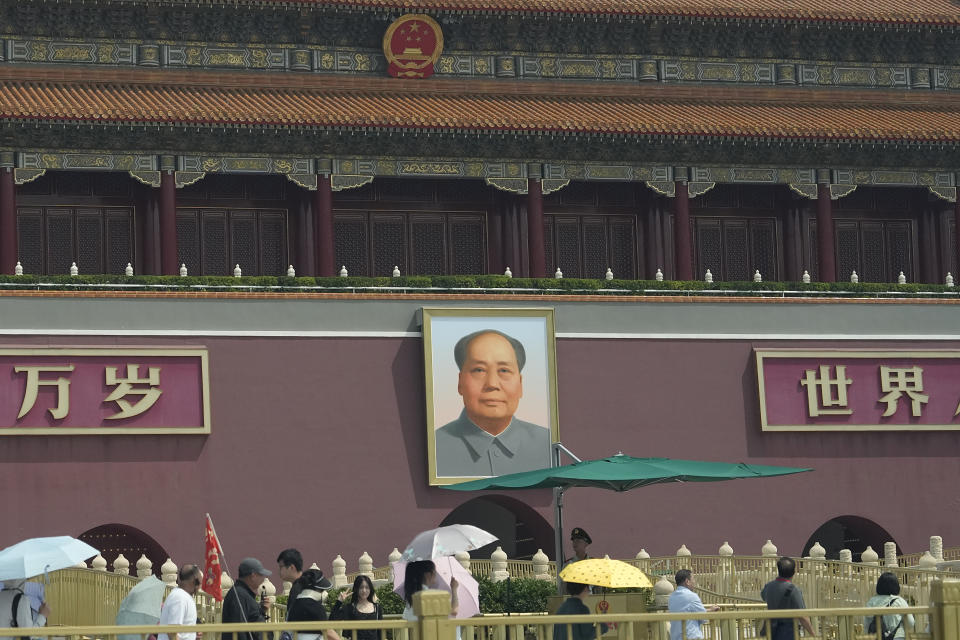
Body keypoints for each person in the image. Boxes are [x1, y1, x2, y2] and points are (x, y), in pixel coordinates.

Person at [435, 329, 551, 477]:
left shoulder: (548, 444)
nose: (492, 384)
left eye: (504, 370)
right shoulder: (435, 447)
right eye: (479, 370)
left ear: (520, 384)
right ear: (460, 382)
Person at [760, 557, 816, 640]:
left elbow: (764, 597)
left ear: (779, 570)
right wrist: (813, 634)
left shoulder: (768, 586)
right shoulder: (794, 590)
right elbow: (803, 616)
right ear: (793, 572)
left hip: (771, 631)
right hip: (788, 632)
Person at [222, 558, 272, 640]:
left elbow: (251, 618)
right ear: (253, 576)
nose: (263, 579)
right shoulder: (239, 595)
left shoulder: (243, 593)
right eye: (261, 575)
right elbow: (239, 629)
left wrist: (261, 611)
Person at [286, 569, 339, 640]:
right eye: (322, 590)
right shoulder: (316, 607)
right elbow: (328, 632)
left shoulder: (294, 604)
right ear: (317, 589)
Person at [668, 570, 719, 640]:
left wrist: (709, 610)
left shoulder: (672, 597)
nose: (694, 582)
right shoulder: (691, 596)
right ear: (687, 581)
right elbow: (703, 617)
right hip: (691, 636)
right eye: (693, 579)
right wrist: (712, 610)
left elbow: (685, 611)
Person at [331, 575, 383, 640]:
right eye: (361, 587)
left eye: (367, 587)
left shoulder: (377, 608)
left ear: (370, 589)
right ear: (356, 589)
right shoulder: (349, 608)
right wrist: (339, 601)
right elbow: (332, 620)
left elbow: (380, 632)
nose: (364, 590)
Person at [158, 564, 203, 640]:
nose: (200, 587)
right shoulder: (180, 598)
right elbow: (172, 632)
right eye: (201, 583)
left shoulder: (182, 596)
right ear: (195, 581)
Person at [864, 572, 913, 640]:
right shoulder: (900, 601)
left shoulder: (872, 602)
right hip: (898, 637)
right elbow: (910, 622)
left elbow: (867, 624)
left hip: (876, 637)